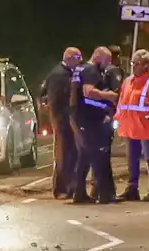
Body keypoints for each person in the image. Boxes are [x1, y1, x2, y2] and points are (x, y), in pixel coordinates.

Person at [114, 49, 149, 202]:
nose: (133, 66)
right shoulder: (128, 81)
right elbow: (122, 103)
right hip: (131, 127)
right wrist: (117, 118)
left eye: (136, 63)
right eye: (133, 63)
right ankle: (132, 189)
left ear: (145, 65)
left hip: (146, 127)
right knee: (132, 159)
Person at [69, 46, 119, 204]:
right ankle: (104, 194)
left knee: (83, 156)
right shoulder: (91, 70)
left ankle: (79, 193)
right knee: (98, 156)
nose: (108, 64)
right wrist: (109, 96)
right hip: (89, 119)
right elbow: (88, 92)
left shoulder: (79, 69)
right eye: (107, 60)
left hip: (79, 117)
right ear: (98, 56)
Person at [43, 47, 83, 199]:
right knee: (63, 155)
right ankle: (61, 189)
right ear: (69, 58)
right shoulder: (58, 75)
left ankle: (70, 186)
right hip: (63, 120)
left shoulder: (68, 73)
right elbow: (54, 100)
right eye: (78, 57)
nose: (81, 60)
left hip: (69, 119)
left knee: (72, 154)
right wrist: (60, 120)